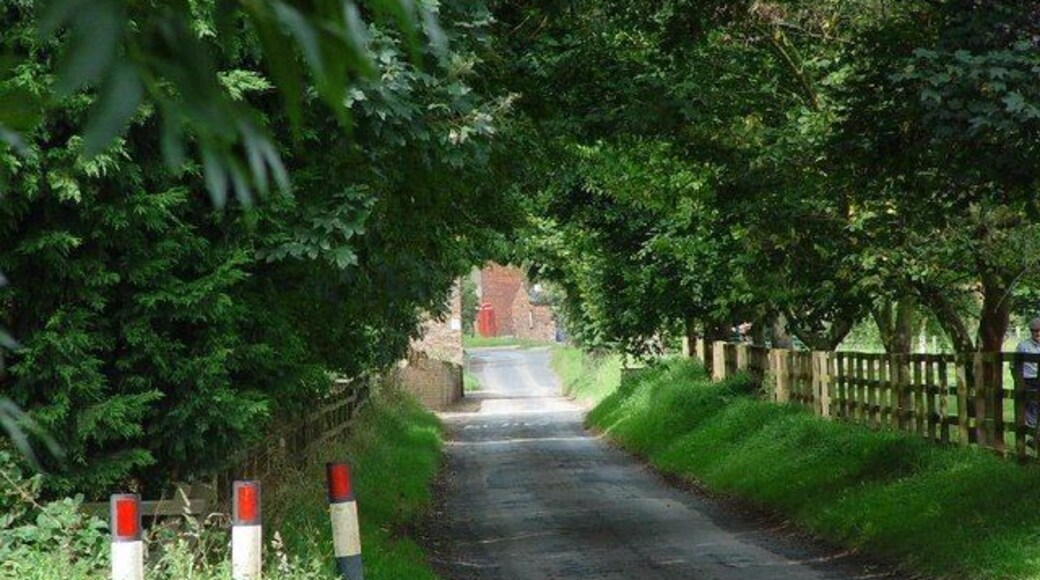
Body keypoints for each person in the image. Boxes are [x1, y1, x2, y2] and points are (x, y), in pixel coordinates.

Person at [1017, 317, 1040, 436]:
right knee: (1032, 407)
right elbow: (1014, 366)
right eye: (1035, 331)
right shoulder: (1023, 346)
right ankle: (1034, 436)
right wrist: (1020, 382)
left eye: (1039, 330)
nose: (1038, 333)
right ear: (1031, 332)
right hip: (1030, 380)